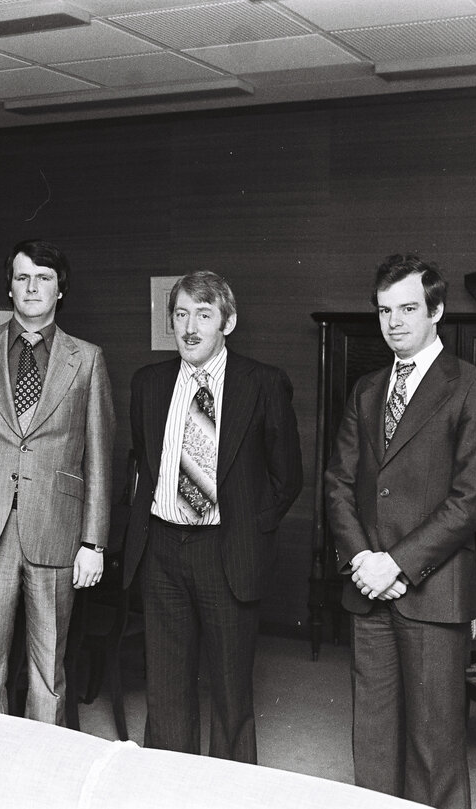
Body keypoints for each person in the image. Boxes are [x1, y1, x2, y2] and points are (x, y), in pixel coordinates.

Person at [325, 254, 476, 809]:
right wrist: (362, 562)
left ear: (437, 312)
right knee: (374, 741)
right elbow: (338, 484)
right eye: (384, 310)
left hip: (431, 590)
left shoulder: (473, 386)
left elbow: (470, 499)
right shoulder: (366, 389)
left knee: (435, 745)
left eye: (407, 308)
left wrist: (393, 565)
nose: (394, 321)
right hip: (369, 588)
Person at [122, 270, 302, 763]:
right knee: (166, 689)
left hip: (226, 549)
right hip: (161, 549)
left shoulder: (262, 383)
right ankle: (168, 788)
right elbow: (145, 461)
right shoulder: (149, 384)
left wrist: (249, 528)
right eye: (181, 315)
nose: (190, 328)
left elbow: (288, 477)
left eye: (203, 314)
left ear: (229, 321)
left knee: (229, 692)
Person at [0, 239, 113, 725]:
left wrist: (93, 541)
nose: (32, 287)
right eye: (22, 277)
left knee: (47, 670)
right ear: (9, 288)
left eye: (44, 278)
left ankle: (42, 777)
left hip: (56, 528)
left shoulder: (88, 359)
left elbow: (98, 454)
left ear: (61, 290)